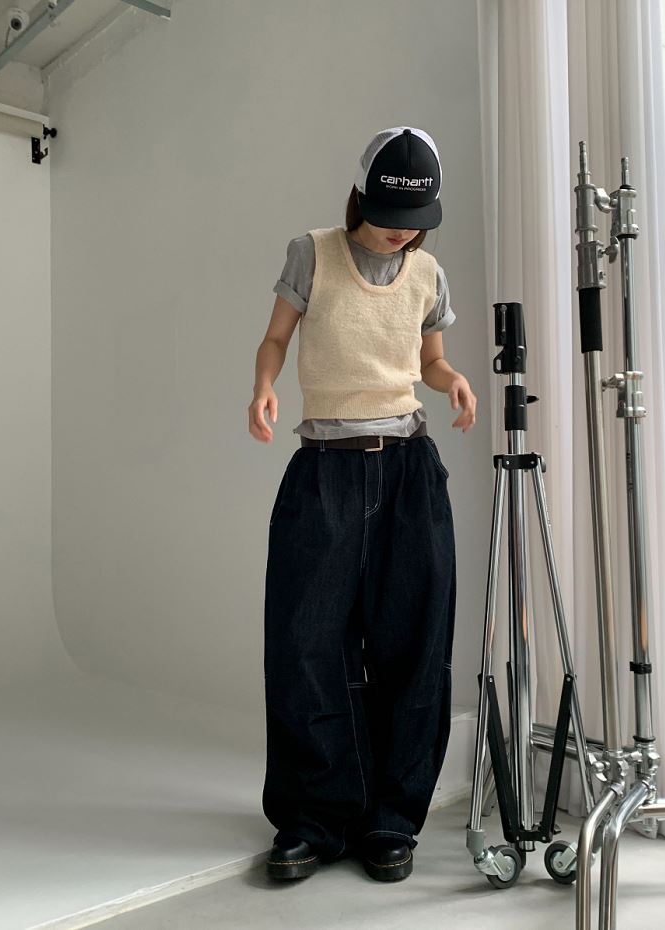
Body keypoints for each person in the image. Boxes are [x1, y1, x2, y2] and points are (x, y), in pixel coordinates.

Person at [248, 126, 477, 883]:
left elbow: (431, 360)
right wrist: (264, 386)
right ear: (360, 196)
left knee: (412, 644)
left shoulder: (429, 274)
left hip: (408, 468)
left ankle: (390, 820)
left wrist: (453, 381)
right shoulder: (312, 253)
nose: (400, 230)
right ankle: (316, 820)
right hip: (325, 467)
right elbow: (276, 338)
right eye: (388, 213)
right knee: (306, 643)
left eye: (414, 219)